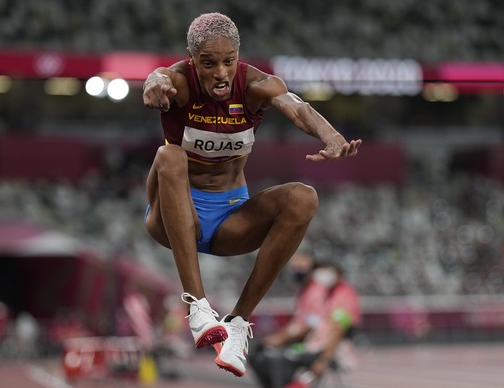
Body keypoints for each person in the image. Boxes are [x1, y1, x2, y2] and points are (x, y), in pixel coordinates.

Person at [142, 12, 362, 378]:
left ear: (238, 56)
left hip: (230, 220)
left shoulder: (256, 85)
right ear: (192, 59)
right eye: (208, 64)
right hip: (172, 217)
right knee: (169, 154)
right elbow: (158, 76)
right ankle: (198, 305)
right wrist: (152, 83)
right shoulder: (178, 83)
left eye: (228, 61)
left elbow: (297, 107)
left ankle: (239, 324)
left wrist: (332, 137)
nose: (221, 74)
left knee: (303, 197)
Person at [251, 261, 361, 388]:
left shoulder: (344, 295)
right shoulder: (327, 293)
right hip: (312, 345)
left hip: (328, 350)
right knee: (267, 357)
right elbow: (312, 321)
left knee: (280, 360)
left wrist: (323, 360)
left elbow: (337, 329)